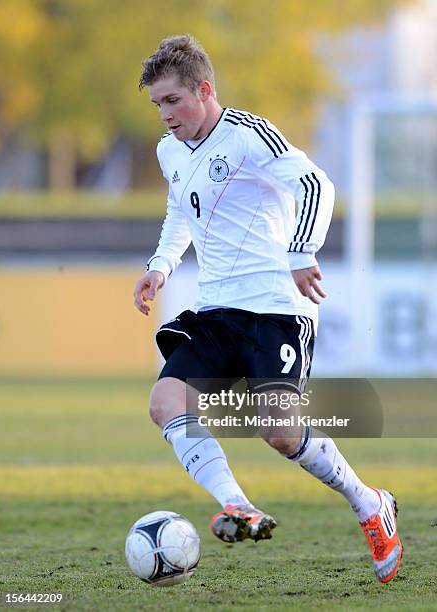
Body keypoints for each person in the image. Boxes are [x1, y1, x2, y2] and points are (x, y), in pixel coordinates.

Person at [134, 34, 402, 583]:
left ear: (204, 90)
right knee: (166, 401)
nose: (164, 115)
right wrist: (160, 266)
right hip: (214, 309)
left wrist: (300, 252)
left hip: (276, 307)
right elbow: (180, 211)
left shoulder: (249, 137)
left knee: (279, 431)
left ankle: (370, 503)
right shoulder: (170, 150)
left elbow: (315, 184)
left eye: (172, 101)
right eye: (157, 105)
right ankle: (238, 505)